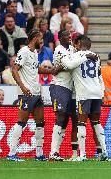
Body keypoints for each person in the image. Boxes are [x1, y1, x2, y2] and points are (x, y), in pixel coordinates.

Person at [60, 34, 110, 161]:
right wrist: (103, 93)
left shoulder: (75, 55)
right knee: (96, 123)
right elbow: (99, 76)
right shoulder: (96, 57)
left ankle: (82, 155)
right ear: (90, 45)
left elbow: (69, 66)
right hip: (97, 92)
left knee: (81, 123)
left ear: (78, 44)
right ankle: (104, 152)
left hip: (84, 93)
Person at [7, 29, 54, 161]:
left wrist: (51, 70)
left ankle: (39, 154)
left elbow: (35, 69)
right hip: (26, 93)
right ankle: (11, 153)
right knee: (21, 122)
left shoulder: (34, 52)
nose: (42, 42)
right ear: (35, 38)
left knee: (40, 123)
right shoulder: (24, 51)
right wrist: (23, 87)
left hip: (36, 92)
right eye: (41, 39)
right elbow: (14, 69)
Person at [49, 29, 75, 161]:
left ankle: (56, 151)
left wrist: (60, 67)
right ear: (59, 38)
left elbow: (69, 65)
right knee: (60, 117)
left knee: (64, 120)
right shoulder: (59, 49)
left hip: (69, 88)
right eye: (65, 35)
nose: (68, 37)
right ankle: (52, 152)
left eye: (69, 35)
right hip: (59, 86)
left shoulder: (71, 48)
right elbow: (70, 65)